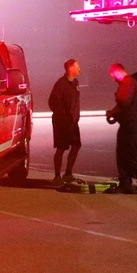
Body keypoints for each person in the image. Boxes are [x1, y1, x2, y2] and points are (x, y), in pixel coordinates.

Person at [106, 63, 137, 194]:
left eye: (113, 76)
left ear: (117, 73)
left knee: (131, 153)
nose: (113, 79)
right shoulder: (129, 83)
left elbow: (124, 102)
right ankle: (125, 182)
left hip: (131, 125)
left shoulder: (127, 83)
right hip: (129, 124)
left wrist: (112, 113)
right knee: (123, 153)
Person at [48, 59, 82, 187]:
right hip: (62, 123)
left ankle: (68, 173)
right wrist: (63, 116)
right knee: (61, 148)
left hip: (73, 122)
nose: (79, 69)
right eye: (77, 67)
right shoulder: (60, 84)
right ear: (70, 69)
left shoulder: (76, 83)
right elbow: (52, 102)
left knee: (76, 145)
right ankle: (57, 176)